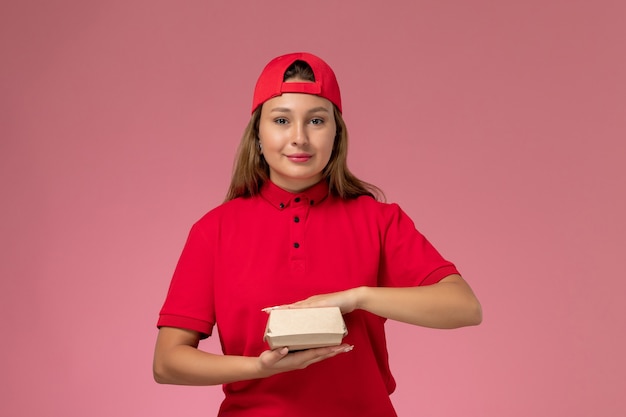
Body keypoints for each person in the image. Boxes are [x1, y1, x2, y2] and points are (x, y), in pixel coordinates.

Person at [153, 52, 482, 416]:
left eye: (316, 121)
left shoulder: (378, 220)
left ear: (336, 133)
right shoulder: (213, 230)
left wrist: (357, 298)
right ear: (258, 134)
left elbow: (464, 307)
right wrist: (259, 367)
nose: (299, 137)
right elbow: (168, 362)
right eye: (281, 120)